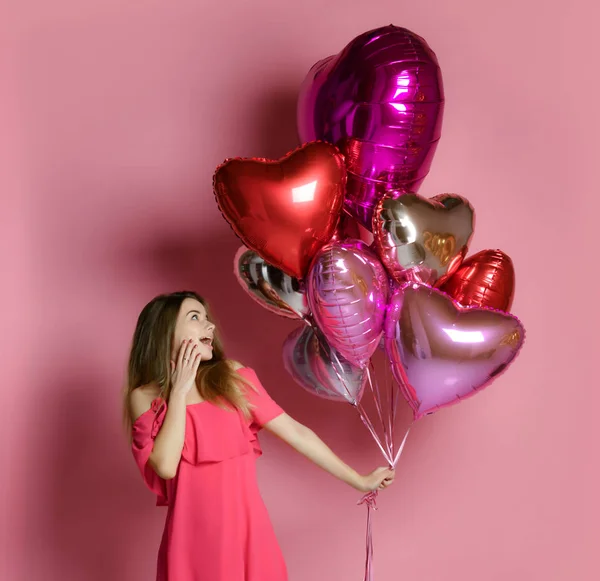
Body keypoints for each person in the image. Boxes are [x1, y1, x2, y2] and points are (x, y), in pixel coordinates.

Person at [124, 290, 395, 581]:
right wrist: (178, 392)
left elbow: (296, 432)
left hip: (247, 539)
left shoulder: (232, 377)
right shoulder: (145, 397)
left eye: (206, 318)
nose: (210, 326)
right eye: (195, 317)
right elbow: (165, 465)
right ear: (166, 331)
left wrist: (359, 480)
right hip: (189, 548)